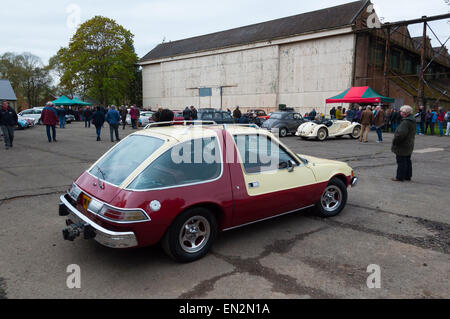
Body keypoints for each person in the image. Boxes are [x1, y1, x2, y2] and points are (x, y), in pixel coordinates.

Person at [391, 105, 416, 182]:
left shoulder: (405, 122)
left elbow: (401, 134)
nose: (400, 112)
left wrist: (395, 141)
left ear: (405, 113)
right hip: (409, 143)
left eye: (401, 111)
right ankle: (407, 176)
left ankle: (400, 177)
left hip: (403, 144)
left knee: (401, 161)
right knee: (407, 160)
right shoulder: (412, 120)